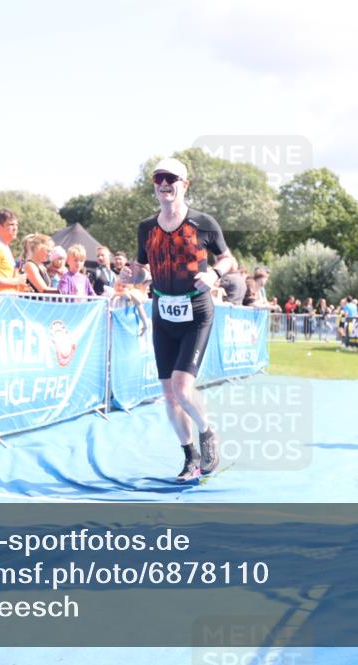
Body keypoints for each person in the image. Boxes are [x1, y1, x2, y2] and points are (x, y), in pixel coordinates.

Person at [129, 157, 233, 482]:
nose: (164, 184)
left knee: (183, 387)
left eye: (171, 178)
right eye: (159, 178)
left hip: (196, 313)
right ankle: (191, 457)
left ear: (184, 184)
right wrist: (131, 272)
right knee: (169, 394)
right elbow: (140, 266)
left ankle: (208, 432)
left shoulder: (203, 223)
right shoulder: (147, 227)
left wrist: (214, 274)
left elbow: (228, 259)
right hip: (163, 313)